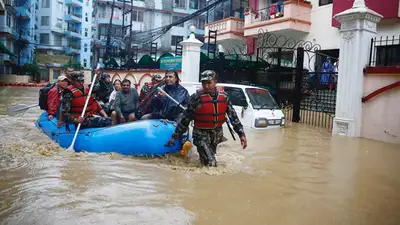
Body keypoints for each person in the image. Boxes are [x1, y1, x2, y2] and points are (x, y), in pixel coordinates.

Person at [167, 70, 247, 167]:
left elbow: (233, 116)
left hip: (216, 134)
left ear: (215, 82)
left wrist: (241, 134)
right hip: (201, 133)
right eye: (203, 83)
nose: (206, 86)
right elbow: (185, 119)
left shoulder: (224, 96)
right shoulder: (196, 98)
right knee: (211, 162)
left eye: (209, 82)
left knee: (206, 159)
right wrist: (174, 137)